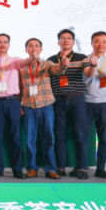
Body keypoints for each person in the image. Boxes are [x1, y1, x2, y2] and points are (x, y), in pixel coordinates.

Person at [0, 33, 32, 179]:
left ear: (9, 45)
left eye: (5, 42)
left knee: (15, 137)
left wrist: (33, 57)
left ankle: (17, 169)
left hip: (13, 101)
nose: (2, 44)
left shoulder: (15, 60)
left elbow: (25, 62)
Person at [48, 29, 91, 179]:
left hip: (77, 99)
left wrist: (92, 65)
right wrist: (61, 65)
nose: (66, 40)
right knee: (59, 134)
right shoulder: (51, 59)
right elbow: (52, 73)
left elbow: (88, 73)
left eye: (69, 38)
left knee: (80, 133)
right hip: (58, 100)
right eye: (63, 38)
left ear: (73, 42)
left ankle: (82, 167)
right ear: (58, 42)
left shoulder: (82, 57)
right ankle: (60, 167)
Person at [19, 38, 65, 179]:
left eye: (36, 46)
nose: (33, 48)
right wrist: (18, 104)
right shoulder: (21, 66)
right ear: (26, 49)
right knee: (29, 140)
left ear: (41, 49)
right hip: (28, 106)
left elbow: (57, 70)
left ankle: (50, 169)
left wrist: (63, 65)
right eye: (30, 46)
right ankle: (32, 168)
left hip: (46, 105)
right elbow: (19, 87)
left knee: (49, 138)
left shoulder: (47, 64)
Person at [83, 31, 106, 179]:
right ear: (92, 43)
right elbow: (88, 75)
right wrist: (93, 65)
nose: (100, 44)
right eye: (97, 41)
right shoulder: (85, 60)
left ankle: (101, 168)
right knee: (83, 136)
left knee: (103, 137)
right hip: (87, 102)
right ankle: (82, 168)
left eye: (104, 42)